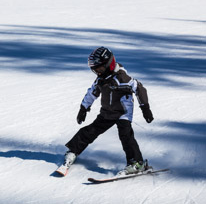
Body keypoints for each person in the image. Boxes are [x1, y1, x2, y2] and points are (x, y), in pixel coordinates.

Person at [63, 47, 154, 175]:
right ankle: (73, 151)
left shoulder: (122, 78)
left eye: (99, 69)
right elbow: (92, 92)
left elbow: (139, 88)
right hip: (108, 111)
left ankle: (137, 163)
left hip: (123, 112)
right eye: (95, 70)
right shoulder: (101, 79)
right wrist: (83, 108)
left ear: (109, 64)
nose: (98, 72)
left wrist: (145, 108)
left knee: (126, 136)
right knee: (91, 131)